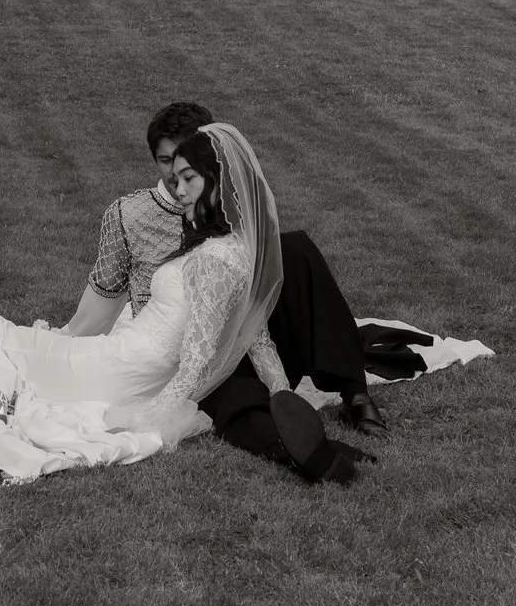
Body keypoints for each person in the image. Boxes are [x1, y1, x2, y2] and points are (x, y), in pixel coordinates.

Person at [0, 123, 354, 482]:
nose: (177, 191)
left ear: (218, 181)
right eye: (174, 179)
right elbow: (258, 335)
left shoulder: (214, 260)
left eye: (189, 180)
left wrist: (153, 415)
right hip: (126, 354)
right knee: (11, 348)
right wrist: (284, 395)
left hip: (123, 365)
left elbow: (197, 357)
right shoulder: (235, 251)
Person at [64, 102, 387, 471]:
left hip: (235, 332)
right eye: (165, 161)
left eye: (187, 165)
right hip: (178, 347)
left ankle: (352, 393)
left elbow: (254, 317)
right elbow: (105, 298)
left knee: (294, 248)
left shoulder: (235, 211)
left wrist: (280, 386)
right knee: (233, 398)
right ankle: (300, 446)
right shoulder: (129, 214)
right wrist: (72, 337)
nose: (175, 177)